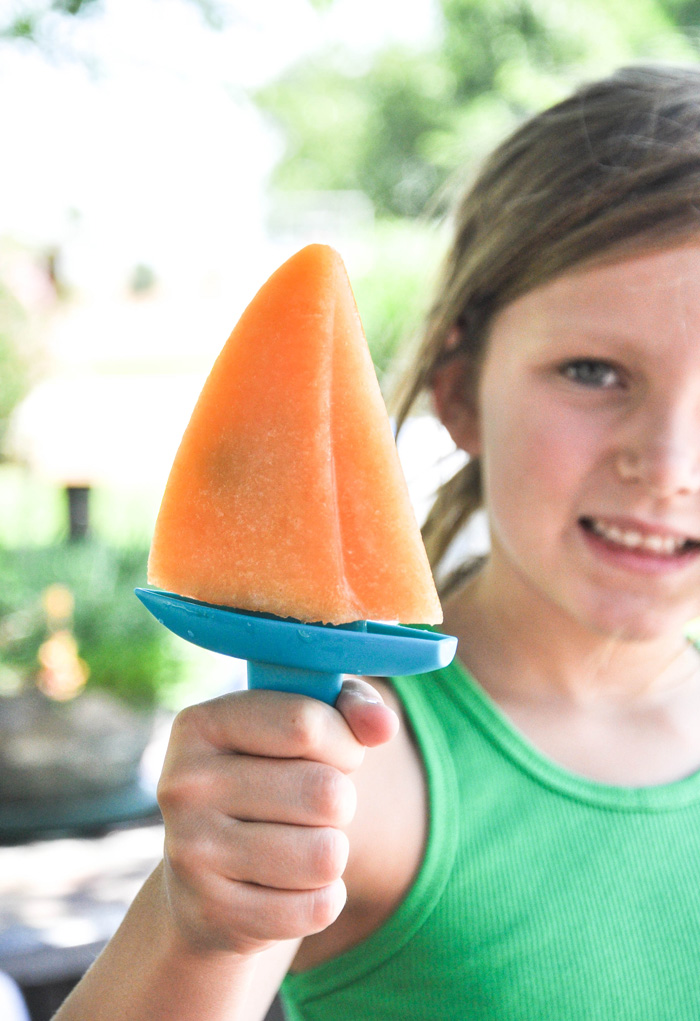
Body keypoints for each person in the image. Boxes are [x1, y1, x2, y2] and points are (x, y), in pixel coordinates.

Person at [55, 64, 700, 1020]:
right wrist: (203, 925)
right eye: (594, 370)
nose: (671, 459)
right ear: (458, 390)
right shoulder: (359, 774)